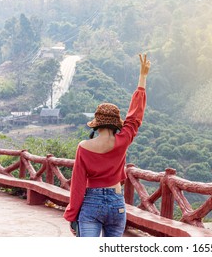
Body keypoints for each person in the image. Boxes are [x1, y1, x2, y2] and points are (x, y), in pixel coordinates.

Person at [63, 53, 150, 237]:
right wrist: (142, 78)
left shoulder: (84, 147)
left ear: (97, 124)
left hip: (91, 204)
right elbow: (135, 116)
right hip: (117, 203)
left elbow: (78, 186)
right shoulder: (123, 140)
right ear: (115, 124)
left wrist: (72, 215)